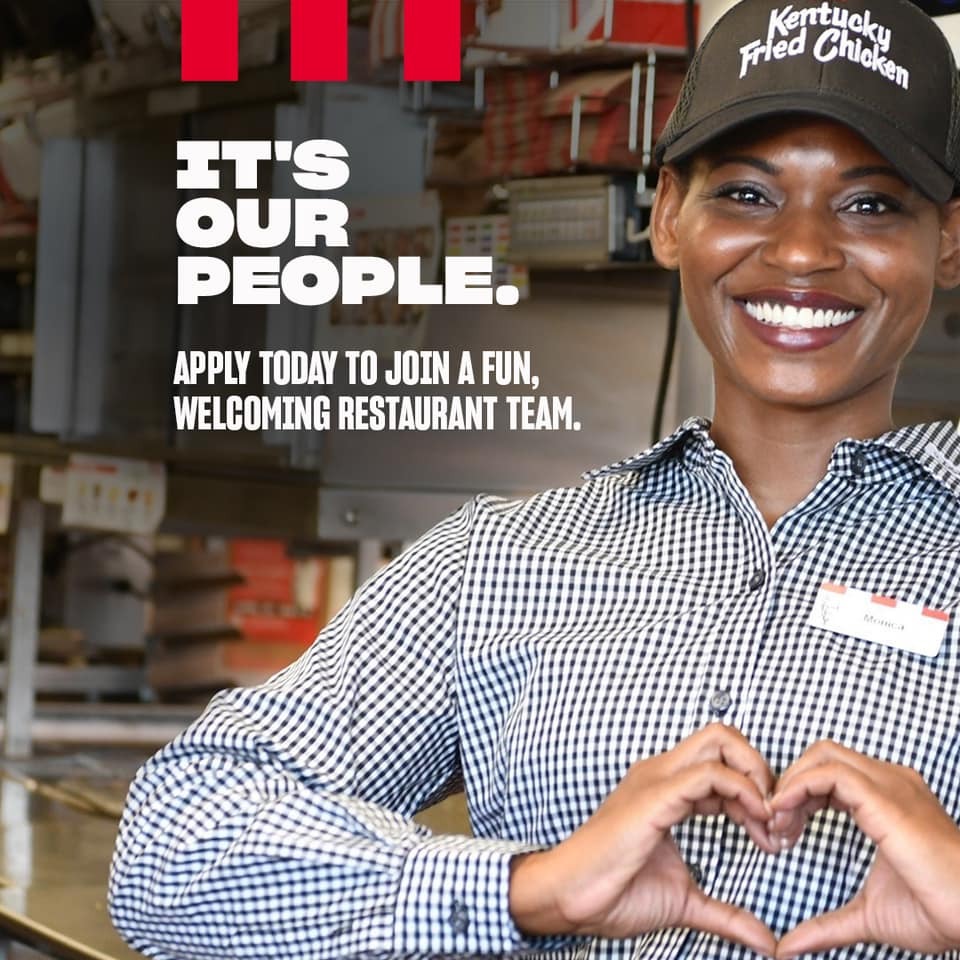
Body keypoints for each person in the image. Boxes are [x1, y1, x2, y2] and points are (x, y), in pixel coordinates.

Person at [108, 0, 960, 957]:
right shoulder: (498, 562)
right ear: (671, 216)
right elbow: (169, 851)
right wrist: (529, 888)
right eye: (748, 195)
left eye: (872, 203)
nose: (803, 251)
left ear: (950, 240)